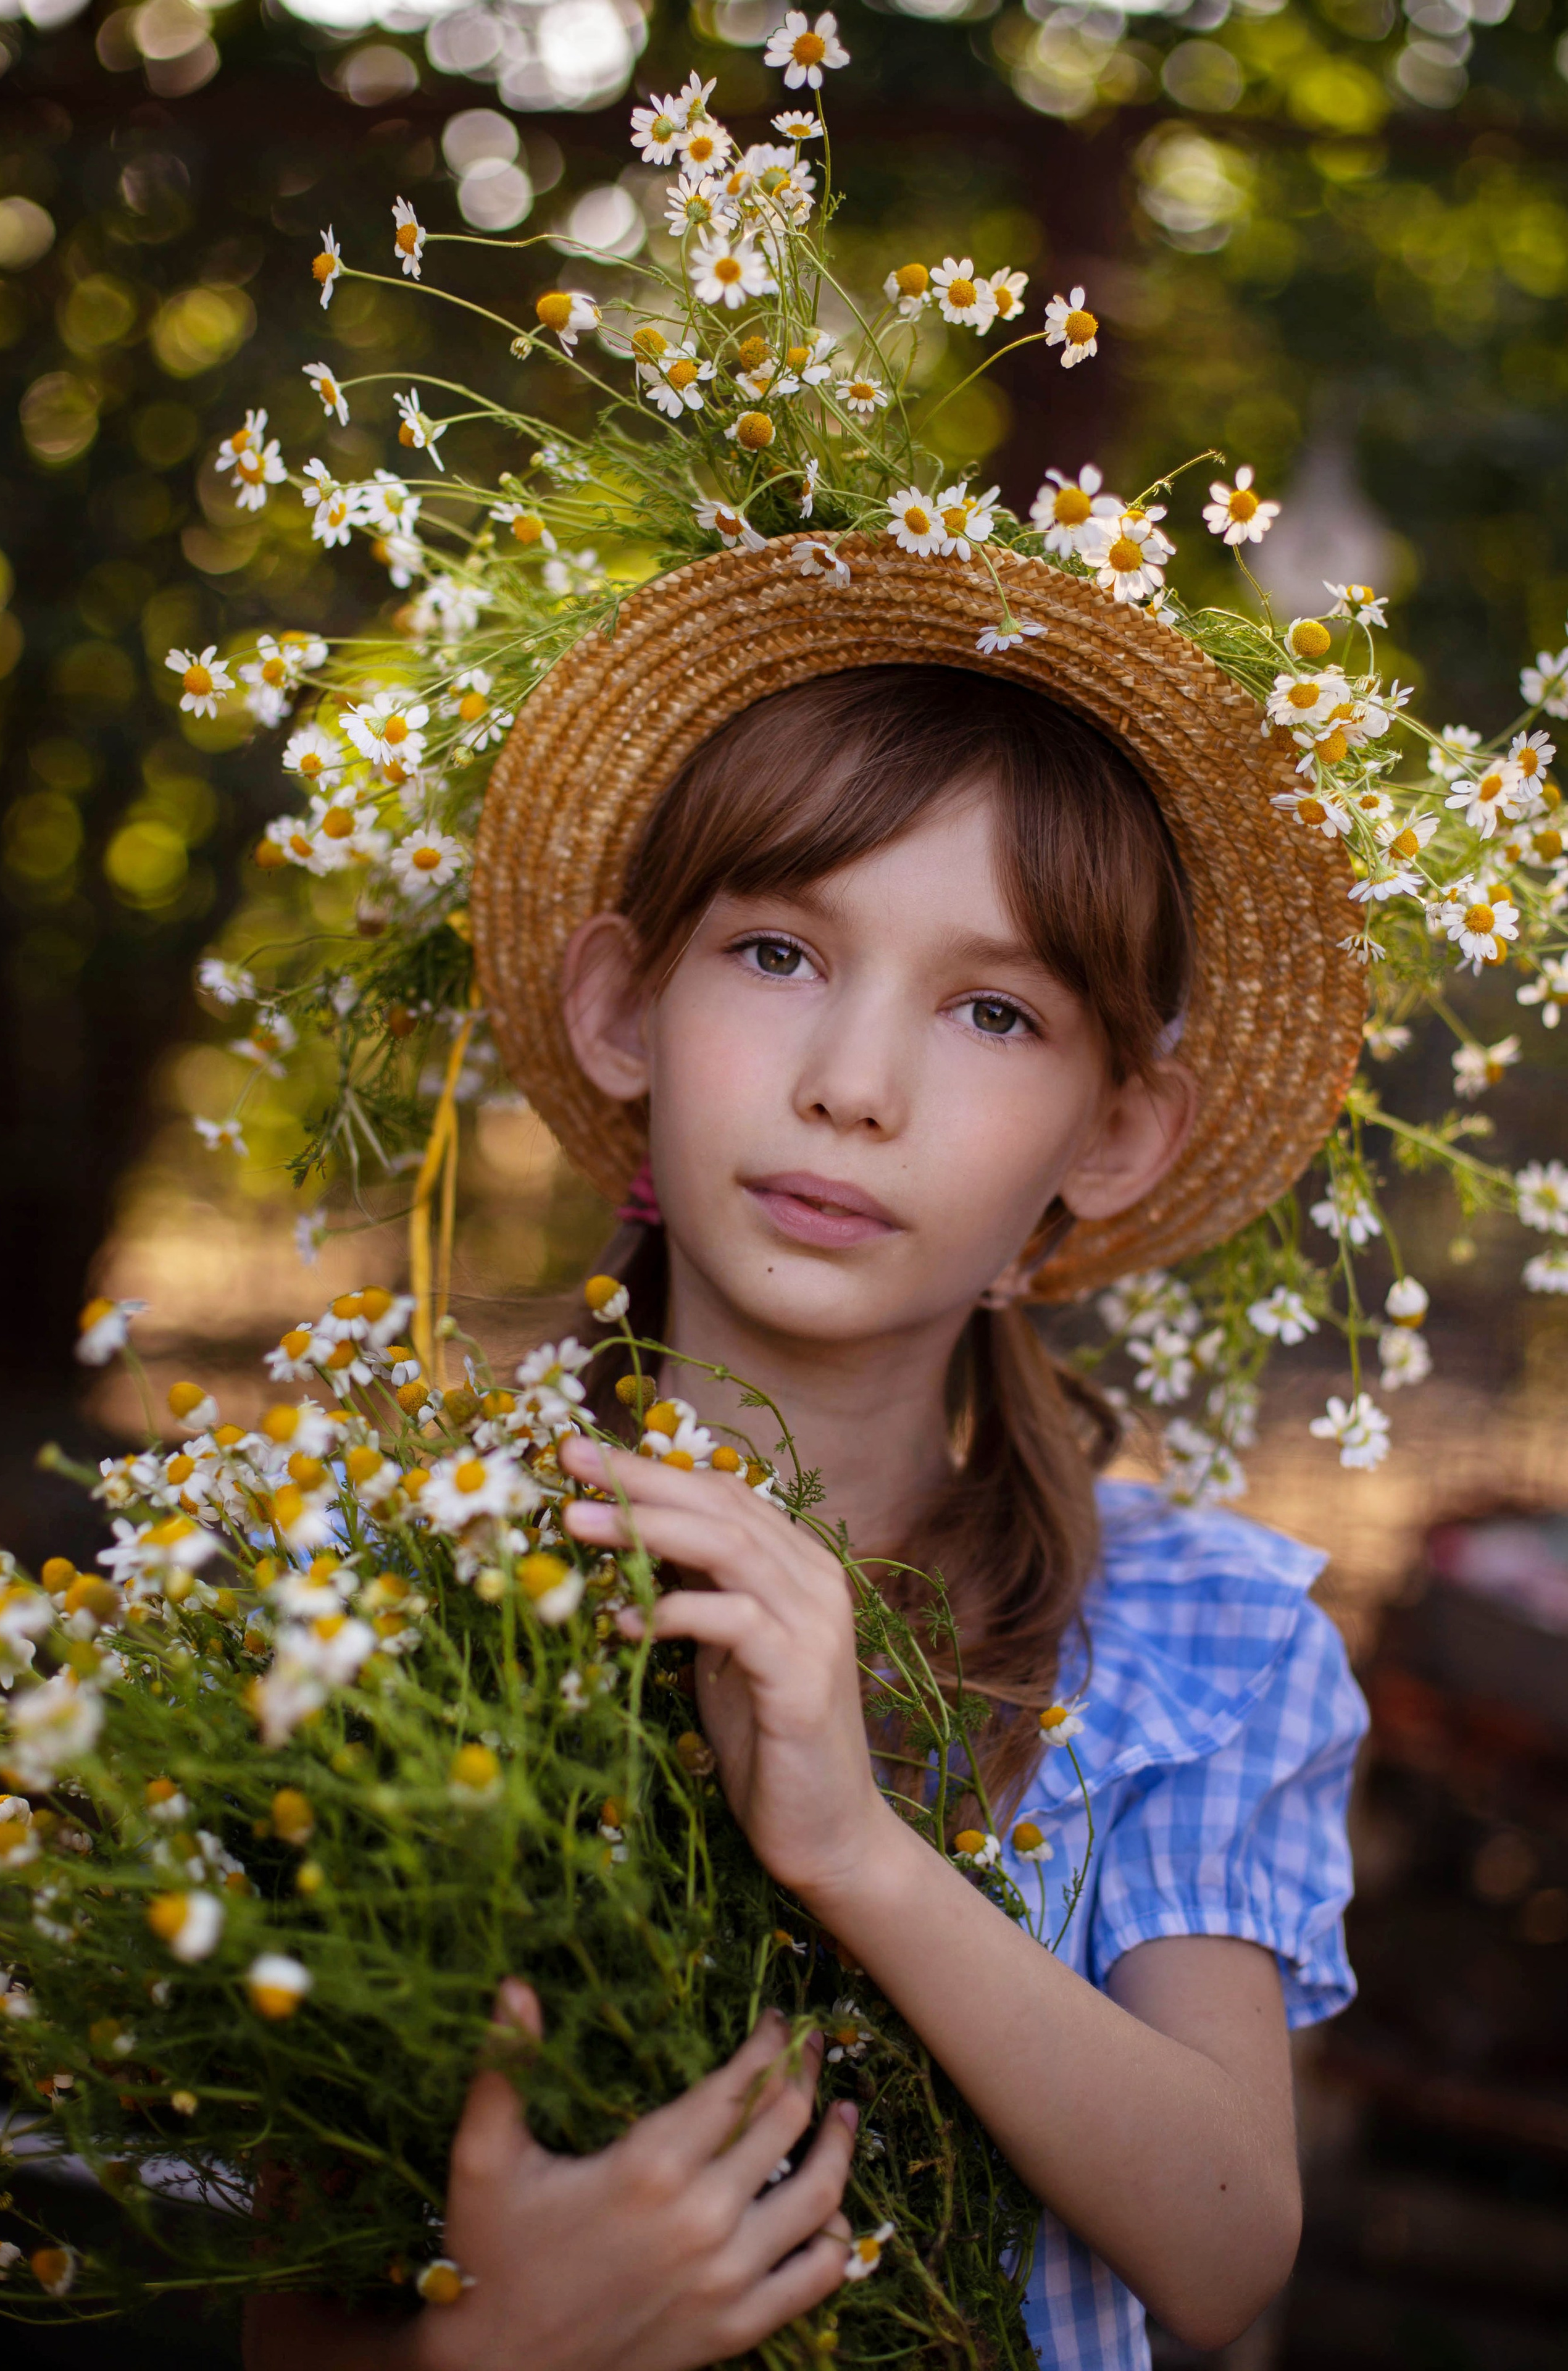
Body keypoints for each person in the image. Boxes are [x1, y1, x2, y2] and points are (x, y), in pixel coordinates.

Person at [257, 588, 1367, 2365]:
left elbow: (1227, 2249)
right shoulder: (410, 1609)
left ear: (1111, 1137)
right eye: (779, 954)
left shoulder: (1189, 1635)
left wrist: (853, 1845)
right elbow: (300, 2319)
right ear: (625, 1006)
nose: (855, 1085)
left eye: (993, 1012)